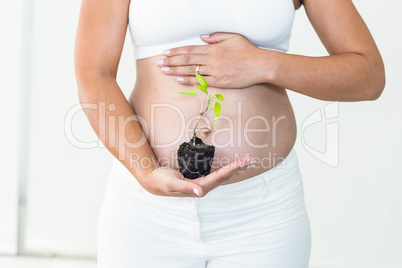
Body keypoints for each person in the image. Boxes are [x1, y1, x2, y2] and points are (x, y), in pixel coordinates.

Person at [74, 0, 385, 267]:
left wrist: (265, 63)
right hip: (148, 209)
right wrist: (147, 173)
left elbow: (368, 74)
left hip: (263, 210)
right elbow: (94, 73)